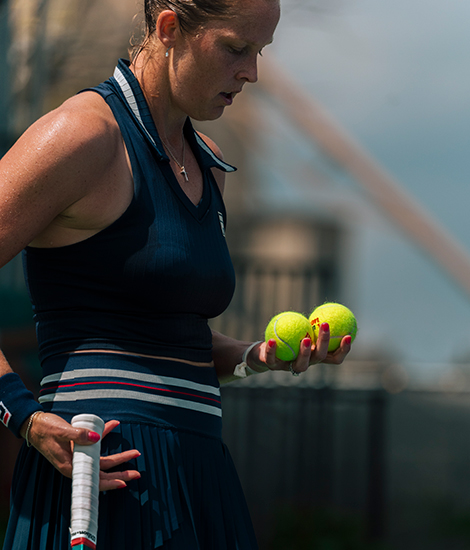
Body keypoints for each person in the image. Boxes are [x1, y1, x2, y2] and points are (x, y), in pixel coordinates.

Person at [0, 0, 352, 548]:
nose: (251, 73)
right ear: (169, 28)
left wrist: (256, 358)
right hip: (101, 472)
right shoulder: (79, 135)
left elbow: (169, 339)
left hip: (200, 473)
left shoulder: (207, 162)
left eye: (259, 53)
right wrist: (20, 414)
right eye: (236, 48)